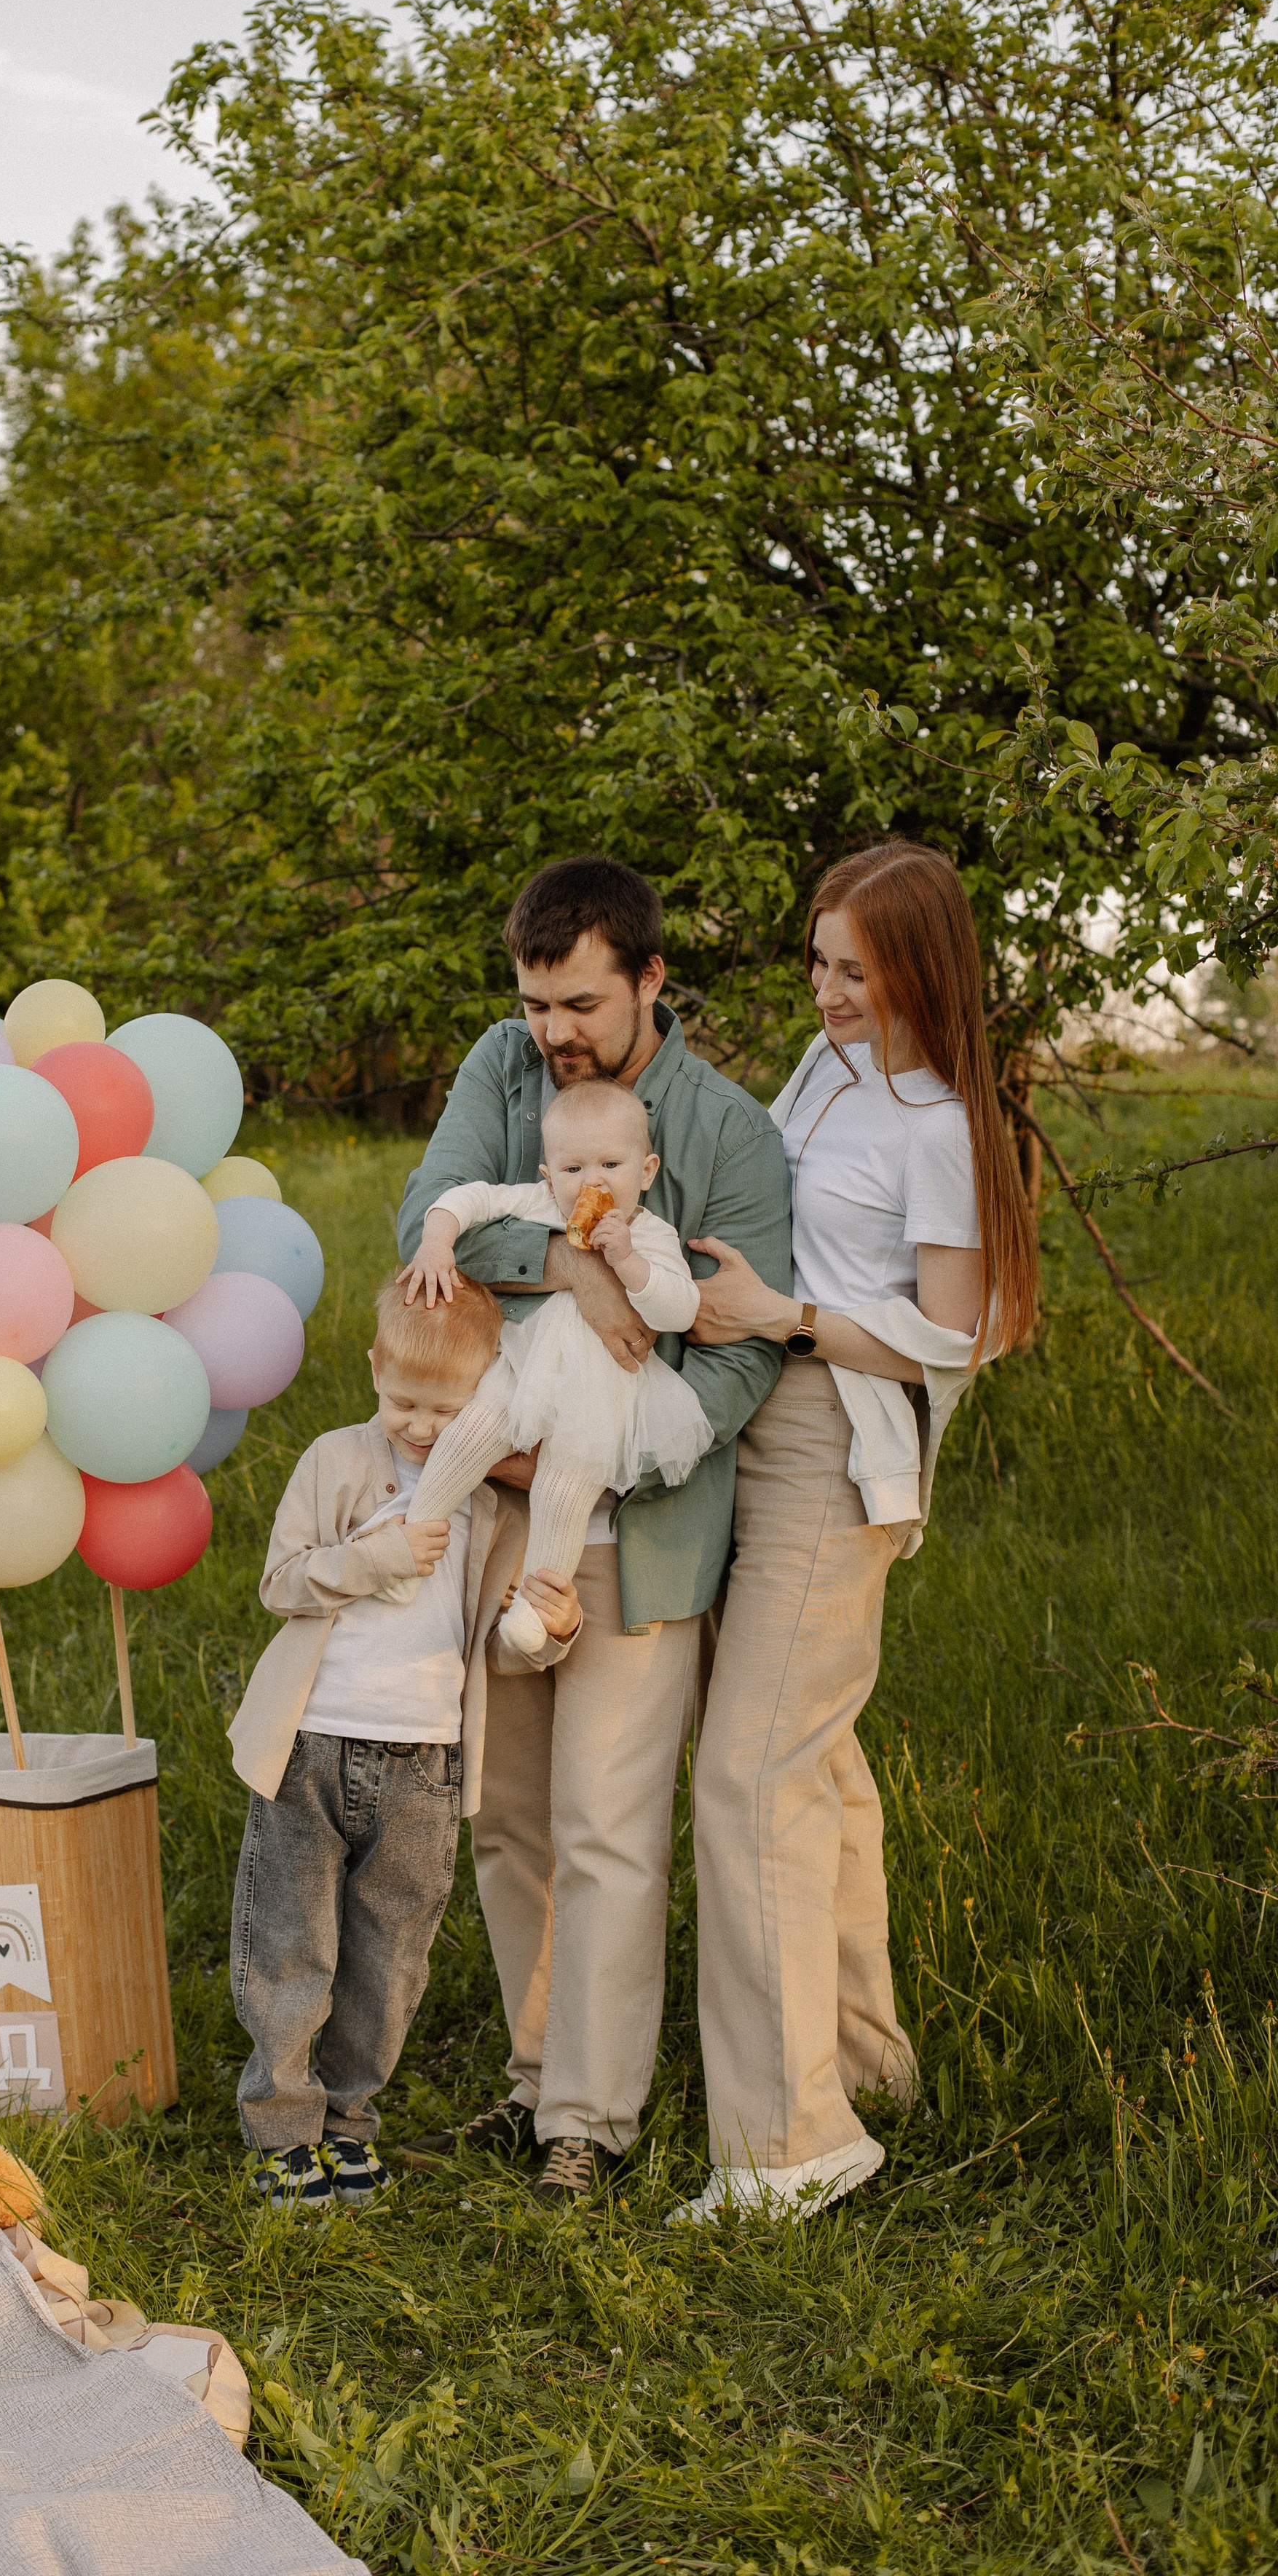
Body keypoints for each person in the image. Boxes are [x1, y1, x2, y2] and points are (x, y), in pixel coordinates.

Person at [396, 855, 792, 2202]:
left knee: (608, 1820)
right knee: (507, 1813)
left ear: (650, 981)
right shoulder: (500, 1073)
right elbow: (425, 1221)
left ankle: (591, 2121)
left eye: (577, 1003)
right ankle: (530, 2075)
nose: (552, 1032)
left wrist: (610, 1445)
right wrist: (564, 1257)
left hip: (641, 1512)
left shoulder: (729, 1132)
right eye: (532, 1003)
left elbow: (739, 1357)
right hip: (498, 1479)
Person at [677, 840, 1039, 2221]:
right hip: (757, 1418)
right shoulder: (832, 1069)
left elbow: (960, 1332)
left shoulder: (942, 1124)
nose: (826, 993)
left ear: (918, 969)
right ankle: (868, 2064)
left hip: (840, 1442)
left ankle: (790, 2149)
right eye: (819, 963)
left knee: (751, 1775)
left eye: (855, 969)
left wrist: (786, 1318)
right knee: (814, 1770)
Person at [225, 1272, 581, 2213]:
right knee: (292, 1945)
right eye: (403, 1402)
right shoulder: (336, 1461)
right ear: (376, 1369)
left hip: (423, 1760)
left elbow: (507, 1641)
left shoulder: (494, 1505)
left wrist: (553, 1625)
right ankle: (282, 2129)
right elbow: (283, 1581)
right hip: (311, 1742)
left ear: (487, 1397)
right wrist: (375, 1558)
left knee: (389, 1957)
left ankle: (349, 2122)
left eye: (447, 1408)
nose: (422, 1427)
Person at [398, 1076, 711, 1663]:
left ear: (645, 1172)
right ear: (548, 1177)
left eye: (611, 1165)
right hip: (522, 1367)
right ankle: (414, 1537)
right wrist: (438, 1241)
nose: (592, 1182)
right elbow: (469, 1199)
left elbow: (680, 1309)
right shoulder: (541, 1206)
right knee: (466, 1435)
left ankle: (536, 1611)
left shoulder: (650, 1233)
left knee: (562, 1492)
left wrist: (627, 1261)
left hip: (602, 1396)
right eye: (572, 1170)